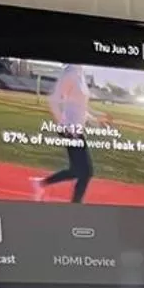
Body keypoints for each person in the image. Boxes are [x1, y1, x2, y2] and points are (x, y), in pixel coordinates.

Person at [34, 64, 97, 202]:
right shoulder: (69, 73)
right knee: (86, 171)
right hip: (69, 130)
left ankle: (41, 183)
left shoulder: (80, 72)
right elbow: (53, 100)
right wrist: (64, 124)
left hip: (77, 130)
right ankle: (75, 205)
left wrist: (95, 119)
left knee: (78, 171)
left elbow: (80, 106)